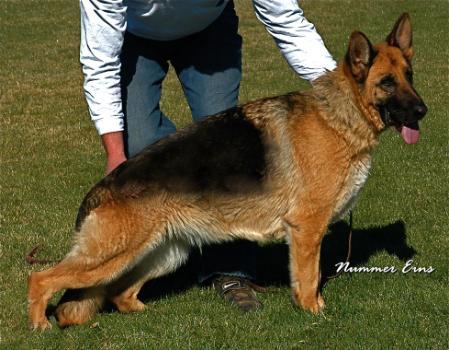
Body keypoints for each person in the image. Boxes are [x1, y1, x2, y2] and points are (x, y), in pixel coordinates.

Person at [79, 0, 336, 312]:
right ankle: (174, 239)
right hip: (134, 35)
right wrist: (116, 154)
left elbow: (285, 18)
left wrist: (338, 91)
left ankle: (230, 271)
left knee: (229, 153)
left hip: (209, 29)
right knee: (143, 147)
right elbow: (100, 59)